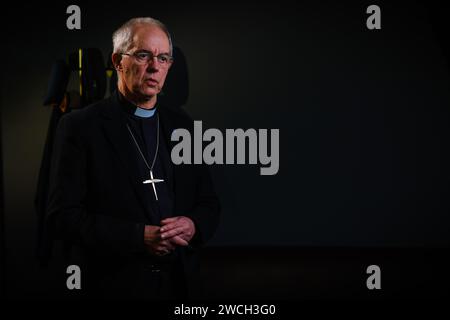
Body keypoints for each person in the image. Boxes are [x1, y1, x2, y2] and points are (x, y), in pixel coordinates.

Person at [45, 17, 220, 299]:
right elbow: (62, 217)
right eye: (143, 55)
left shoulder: (183, 126)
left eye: (163, 58)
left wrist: (193, 225)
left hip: (181, 283)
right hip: (114, 285)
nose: (155, 67)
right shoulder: (81, 126)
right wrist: (138, 237)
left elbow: (209, 203)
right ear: (117, 61)